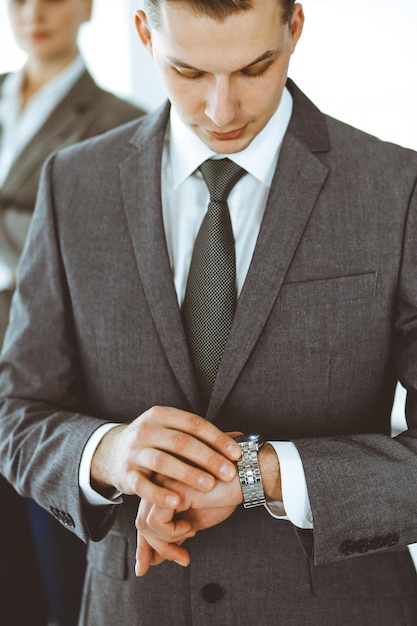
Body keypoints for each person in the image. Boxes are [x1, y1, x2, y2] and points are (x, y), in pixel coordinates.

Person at [0, 0, 417, 624]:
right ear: (145, 34)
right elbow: (17, 408)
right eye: (189, 72)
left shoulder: (396, 187)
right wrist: (107, 453)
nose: (222, 110)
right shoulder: (73, 184)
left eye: (255, 68)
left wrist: (266, 474)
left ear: (295, 28)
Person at [0, 1, 144, 624]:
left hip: (50, 372)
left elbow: (98, 264)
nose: (33, 13)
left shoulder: (122, 124)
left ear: (85, 6)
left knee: (55, 569)